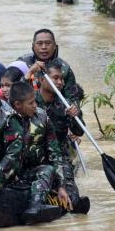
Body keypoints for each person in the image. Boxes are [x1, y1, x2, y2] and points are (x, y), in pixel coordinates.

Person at [8, 81, 70, 223]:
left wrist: (61, 186)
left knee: (48, 170)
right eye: (31, 103)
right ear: (18, 105)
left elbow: (54, 153)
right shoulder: (4, 118)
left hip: (31, 170)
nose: (35, 105)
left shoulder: (42, 118)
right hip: (6, 170)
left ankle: (36, 206)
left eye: (35, 101)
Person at [35, 59, 89, 212]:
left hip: (59, 155)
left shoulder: (66, 104)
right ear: (41, 80)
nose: (60, 82)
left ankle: (68, 201)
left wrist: (74, 116)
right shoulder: (29, 101)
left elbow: (79, 131)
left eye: (62, 79)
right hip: (34, 154)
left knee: (71, 194)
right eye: (56, 78)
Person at [18, 29, 81, 106]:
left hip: (56, 110)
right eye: (39, 43)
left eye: (48, 43)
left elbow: (73, 99)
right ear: (33, 46)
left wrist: (73, 107)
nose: (44, 47)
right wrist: (30, 72)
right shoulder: (21, 64)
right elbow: (11, 93)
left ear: (55, 46)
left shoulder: (65, 69)